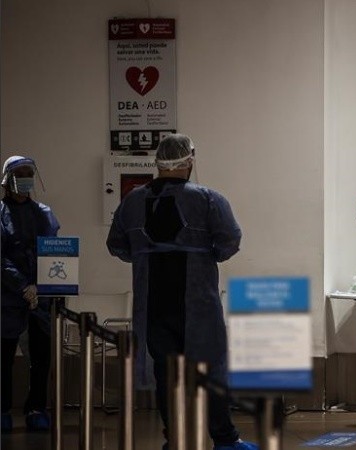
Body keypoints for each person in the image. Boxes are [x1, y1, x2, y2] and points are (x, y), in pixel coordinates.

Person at [106, 134, 258, 450]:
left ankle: (173, 438)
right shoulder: (208, 199)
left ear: (159, 162)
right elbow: (230, 241)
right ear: (189, 160)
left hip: (153, 303)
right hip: (198, 302)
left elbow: (117, 245)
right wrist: (204, 254)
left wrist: (147, 256)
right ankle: (225, 440)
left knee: (166, 373)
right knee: (211, 369)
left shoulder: (133, 201)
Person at [0, 156, 60, 434]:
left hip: (41, 296)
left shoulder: (44, 213)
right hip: (8, 297)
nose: (25, 177)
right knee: (4, 356)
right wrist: (22, 285)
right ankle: (2, 410)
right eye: (19, 173)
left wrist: (42, 285)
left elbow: (54, 251)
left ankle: (36, 408)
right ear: (7, 179)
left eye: (29, 173)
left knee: (41, 355)